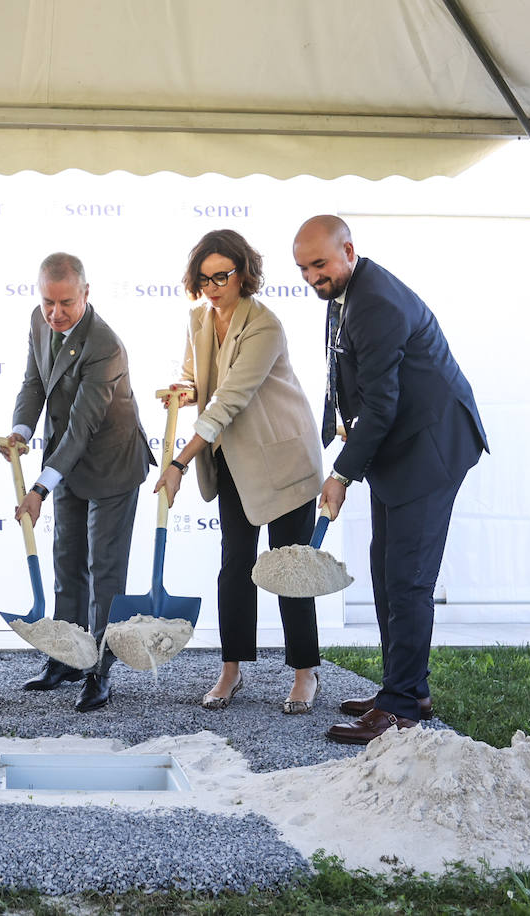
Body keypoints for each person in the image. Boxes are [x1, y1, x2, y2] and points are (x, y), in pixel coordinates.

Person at [294, 214, 487, 745]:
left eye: (320, 264)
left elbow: (382, 404)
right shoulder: (343, 294)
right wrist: (334, 427)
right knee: (386, 571)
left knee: (407, 579)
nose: (312, 276)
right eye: (304, 268)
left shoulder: (375, 301)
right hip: (396, 447)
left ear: (348, 251)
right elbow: (342, 369)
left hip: (429, 447)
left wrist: (342, 474)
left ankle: (403, 707)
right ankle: (405, 687)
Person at [154, 230, 325, 714]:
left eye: (222, 276)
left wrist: (179, 462)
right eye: (204, 278)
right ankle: (231, 670)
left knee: (288, 569)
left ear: (244, 273)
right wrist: (182, 391)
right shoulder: (199, 319)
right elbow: (199, 380)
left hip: (284, 460)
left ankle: (305, 671)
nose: (213, 286)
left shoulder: (265, 325)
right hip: (232, 460)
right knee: (235, 569)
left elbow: (229, 398)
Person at [0, 252, 154, 712]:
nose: (56, 312)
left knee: (103, 570)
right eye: (48, 301)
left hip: (111, 463)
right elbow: (33, 384)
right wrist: (21, 432)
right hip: (64, 460)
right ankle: (66, 657)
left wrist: (40, 487)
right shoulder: (39, 320)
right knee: (66, 562)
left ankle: (100, 670)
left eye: (66, 302)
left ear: (86, 293)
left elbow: (82, 427)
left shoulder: (105, 345)